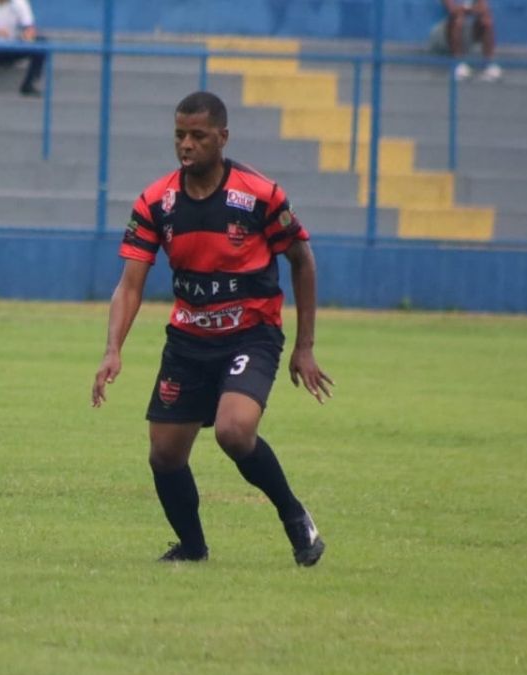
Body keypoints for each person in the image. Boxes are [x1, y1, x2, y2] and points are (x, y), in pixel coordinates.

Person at [91, 91, 333, 567]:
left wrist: (304, 346)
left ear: (222, 137)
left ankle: (295, 517)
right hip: (188, 340)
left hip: (251, 334)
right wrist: (112, 348)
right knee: (164, 454)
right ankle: (193, 548)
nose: (186, 145)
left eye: (198, 136)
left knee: (234, 431)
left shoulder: (260, 195)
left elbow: (302, 261)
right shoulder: (156, 201)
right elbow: (130, 284)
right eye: (180, 135)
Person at [441, 0, 500, 82]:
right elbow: (452, 9)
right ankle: (458, 63)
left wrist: (465, 9)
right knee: (458, 18)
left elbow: (483, 8)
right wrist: (470, 9)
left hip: (468, 27)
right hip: (443, 33)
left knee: (486, 20)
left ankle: (488, 65)